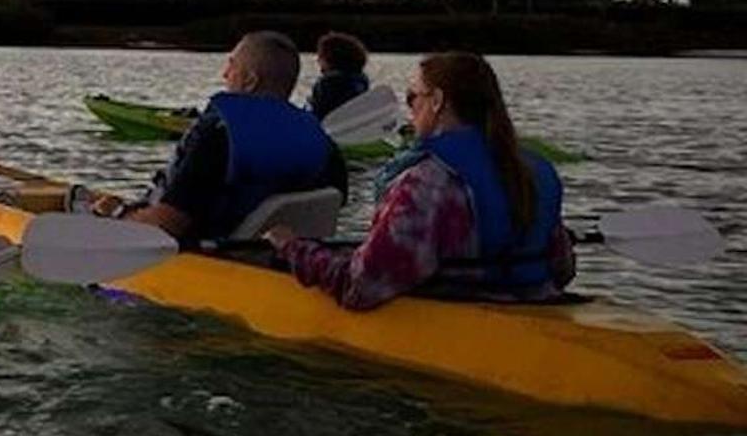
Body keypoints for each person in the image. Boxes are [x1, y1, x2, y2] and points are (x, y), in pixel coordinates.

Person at [265, 52, 574, 311]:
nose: (409, 109)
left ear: (437, 100)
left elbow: (360, 287)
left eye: (412, 97)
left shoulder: (427, 183)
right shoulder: (535, 171)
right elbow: (562, 270)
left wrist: (292, 247)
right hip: (535, 305)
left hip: (458, 321)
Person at [88, 31, 347, 240]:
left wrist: (119, 213)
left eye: (231, 66)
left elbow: (167, 225)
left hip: (205, 259)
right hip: (277, 262)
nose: (224, 74)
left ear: (250, 80)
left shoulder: (218, 135)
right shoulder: (323, 143)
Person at [307, 31, 371, 120]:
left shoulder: (326, 84)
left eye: (321, 56)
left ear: (330, 58)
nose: (318, 60)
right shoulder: (361, 83)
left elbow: (317, 115)